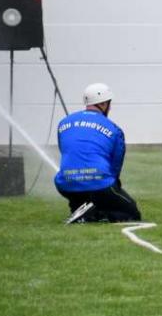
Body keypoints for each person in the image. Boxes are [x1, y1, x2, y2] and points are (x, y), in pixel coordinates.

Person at [55, 82, 141, 224]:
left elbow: (64, 150)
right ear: (103, 104)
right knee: (131, 212)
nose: (110, 108)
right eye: (109, 104)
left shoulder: (63, 123)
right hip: (99, 184)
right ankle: (94, 215)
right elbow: (115, 165)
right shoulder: (114, 129)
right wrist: (113, 186)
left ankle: (80, 209)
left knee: (89, 197)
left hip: (66, 184)